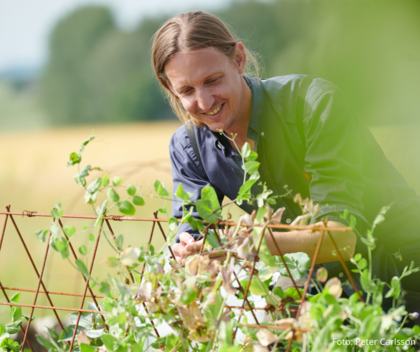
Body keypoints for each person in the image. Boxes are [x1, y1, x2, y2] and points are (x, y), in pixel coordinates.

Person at [151, 11, 420, 307]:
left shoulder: (312, 106)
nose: (204, 102)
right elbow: (190, 229)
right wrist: (189, 249)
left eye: (213, 80)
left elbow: (343, 238)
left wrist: (257, 244)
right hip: (317, 284)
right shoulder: (188, 146)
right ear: (171, 90)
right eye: (187, 91)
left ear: (238, 59)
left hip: (403, 272)